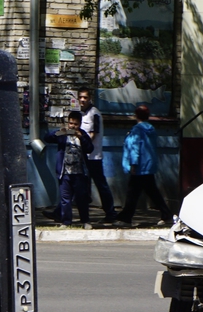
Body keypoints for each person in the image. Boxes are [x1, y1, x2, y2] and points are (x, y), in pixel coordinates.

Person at [118, 104, 171, 226]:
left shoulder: (137, 130)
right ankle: (166, 214)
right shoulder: (151, 129)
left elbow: (135, 148)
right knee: (151, 192)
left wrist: (133, 164)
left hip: (139, 167)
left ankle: (126, 218)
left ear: (136, 116)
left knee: (133, 193)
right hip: (148, 165)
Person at [75, 88, 117, 222]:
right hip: (83, 156)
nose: (82, 100)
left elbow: (93, 135)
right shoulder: (81, 114)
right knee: (77, 183)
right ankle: (61, 211)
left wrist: (82, 145)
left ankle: (110, 212)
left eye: (85, 97)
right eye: (80, 97)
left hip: (93, 156)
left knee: (100, 184)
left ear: (90, 99)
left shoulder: (94, 114)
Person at [53, 110, 93, 226]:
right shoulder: (63, 135)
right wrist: (59, 132)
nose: (73, 126)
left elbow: (90, 148)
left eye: (75, 124)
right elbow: (48, 137)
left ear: (79, 124)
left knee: (81, 198)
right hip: (64, 172)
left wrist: (82, 138)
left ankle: (85, 221)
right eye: (71, 123)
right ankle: (66, 222)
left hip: (79, 172)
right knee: (65, 199)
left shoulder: (83, 134)